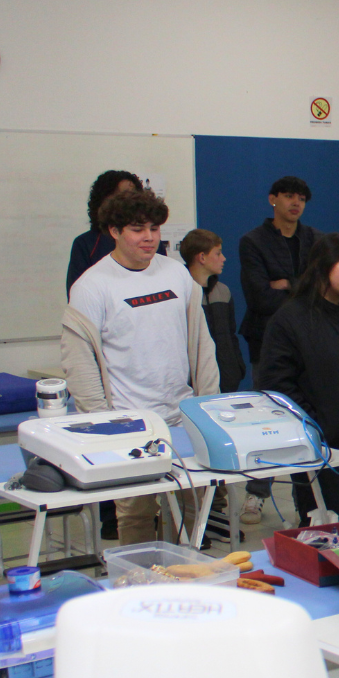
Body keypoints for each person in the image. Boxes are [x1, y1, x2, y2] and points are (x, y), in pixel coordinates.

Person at [62, 187, 218, 545]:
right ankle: (137, 577)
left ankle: (185, 574)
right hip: (127, 424)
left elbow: (202, 346)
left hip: (181, 418)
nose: (148, 237)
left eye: (154, 228)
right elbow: (79, 365)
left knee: (191, 508)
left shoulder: (177, 275)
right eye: (137, 229)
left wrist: (207, 407)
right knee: (135, 514)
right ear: (114, 231)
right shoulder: (91, 287)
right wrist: (102, 426)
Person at [257, 232, 339, 524]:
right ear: (323, 264)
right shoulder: (290, 318)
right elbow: (275, 384)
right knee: (328, 530)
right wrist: (316, 425)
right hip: (319, 446)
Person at [237, 176, 317, 364]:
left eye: (302, 199)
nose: (296, 203)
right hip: (267, 335)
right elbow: (260, 298)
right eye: (289, 196)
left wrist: (288, 284)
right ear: (272, 199)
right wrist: (305, 294)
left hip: (309, 334)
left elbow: (321, 288)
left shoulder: (316, 240)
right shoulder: (253, 242)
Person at [179, 229, 244, 391]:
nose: (224, 258)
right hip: (194, 382)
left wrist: (237, 366)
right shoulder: (181, 294)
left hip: (227, 377)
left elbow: (231, 334)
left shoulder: (223, 291)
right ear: (202, 257)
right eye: (218, 253)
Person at [66, 169, 141, 294]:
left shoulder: (150, 240)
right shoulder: (86, 243)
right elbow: (76, 294)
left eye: (133, 195)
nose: (129, 202)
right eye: (121, 196)